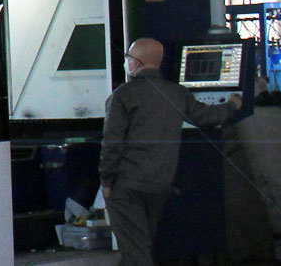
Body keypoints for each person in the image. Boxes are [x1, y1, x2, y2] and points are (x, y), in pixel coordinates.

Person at [99, 38, 243, 266]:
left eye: (128, 58)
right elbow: (206, 116)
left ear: (136, 63)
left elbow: (112, 143)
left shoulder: (123, 96)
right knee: (140, 244)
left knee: (136, 250)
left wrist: (106, 181)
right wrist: (232, 105)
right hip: (160, 183)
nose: (126, 62)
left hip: (126, 185)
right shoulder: (177, 93)